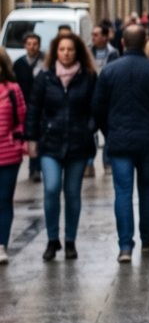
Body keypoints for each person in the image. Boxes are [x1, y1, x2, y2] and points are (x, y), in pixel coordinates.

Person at [93, 25, 149, 264]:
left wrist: (109, 132)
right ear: (145, 42)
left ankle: (125, 246)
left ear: (122, 43)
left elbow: (98, 108)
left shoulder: (109, 72)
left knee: (122, 192)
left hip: (119, 141)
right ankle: (146, 235)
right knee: (146, 189)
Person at [25, 32, 97, 262]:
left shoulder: (87, 77)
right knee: (52, 188)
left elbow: (96, 108)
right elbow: (33, 109)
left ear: (78, 52)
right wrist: (32, 139)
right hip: (50, 143)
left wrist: (89, 127)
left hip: (78, 143)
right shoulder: (45, 77)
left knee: (73, 193)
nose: (66, 53)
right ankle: (52, 239)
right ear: (55, 52)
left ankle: (70, 241)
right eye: (62, 49)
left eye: (70, 49)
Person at [0, 50, 28, 266]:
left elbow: (22, 119)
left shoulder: (13, 90)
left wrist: (17, 142)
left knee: (4, 200)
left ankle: (2, 245)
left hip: (8, 155)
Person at [13, 32, 43, 181]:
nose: (32, 47)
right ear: (25, 46)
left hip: (41, 105)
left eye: (35, 44)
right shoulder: (18, 64)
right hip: (23, 105)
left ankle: (36, 168)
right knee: (27, 136)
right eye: (29, 44)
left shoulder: (44, 62)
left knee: (36, 135)